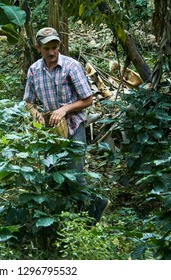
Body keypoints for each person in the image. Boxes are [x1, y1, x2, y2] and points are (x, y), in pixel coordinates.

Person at [23, 27, 109, 224]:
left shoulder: (71, 66)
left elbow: (88, 100)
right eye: (47, 49)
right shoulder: (34, 70)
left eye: (55, 47)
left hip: (74, 125)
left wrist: (64, 109)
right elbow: (28, 101)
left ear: (59, 45)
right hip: (50, 130)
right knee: (53, 175)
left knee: (76, 175)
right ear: (38, 48)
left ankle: (95, 207)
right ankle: (67, 218)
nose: (52, 52)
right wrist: (35, 113)